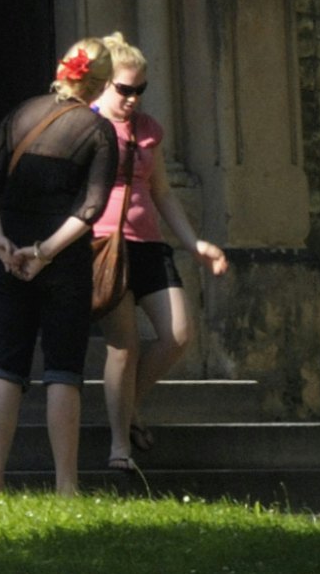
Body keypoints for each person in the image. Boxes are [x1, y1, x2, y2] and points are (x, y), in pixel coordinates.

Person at [0, 37, 120, 496]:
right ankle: (66, 484)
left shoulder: (21, 115)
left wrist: (0, 239)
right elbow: (91, 208)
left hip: (7, 257)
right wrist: (45, 252)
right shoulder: (98, 132)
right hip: (62, 262)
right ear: (100, 85)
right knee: (62, 370)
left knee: (5, 368)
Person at [92, 34, 229, 482]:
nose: (131, 100)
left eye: (139, 90)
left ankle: (128, 410)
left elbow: (162, 190)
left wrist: (195, 244)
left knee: (178, 334)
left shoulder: (149, 129)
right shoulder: (85, 124)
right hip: (104, 246)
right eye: (123, 89)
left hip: (149, 244)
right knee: (123, 346)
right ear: (105, 84)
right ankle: (117, 444)